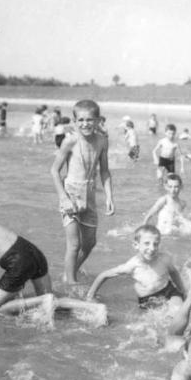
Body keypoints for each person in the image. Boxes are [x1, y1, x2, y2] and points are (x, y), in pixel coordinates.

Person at [51, 99, 114, 284]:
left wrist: (110, 196)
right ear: (74, 121)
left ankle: (69, 272)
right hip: (70, 194)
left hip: (90, 194)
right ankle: (71, 283)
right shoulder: (70, 141)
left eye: (89, 120)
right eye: (80, 120)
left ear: (97, 120)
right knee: (74, 244)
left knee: (90, 243)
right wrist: (63, 198)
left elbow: (104, 171)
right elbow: (54, 170)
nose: (85, 124)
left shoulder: (102, 141)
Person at [85, 224, 186, 310]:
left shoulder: (164, 259)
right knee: (158, 320)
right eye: (147, 243)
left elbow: (173, 272)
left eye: (156, 244)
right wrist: (90, 295)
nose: (152, 248)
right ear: (136, 245)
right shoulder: (132, 265)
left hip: (169, 290)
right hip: (148, 299)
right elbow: (104, 275)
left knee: (177, 310)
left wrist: (182, 290)